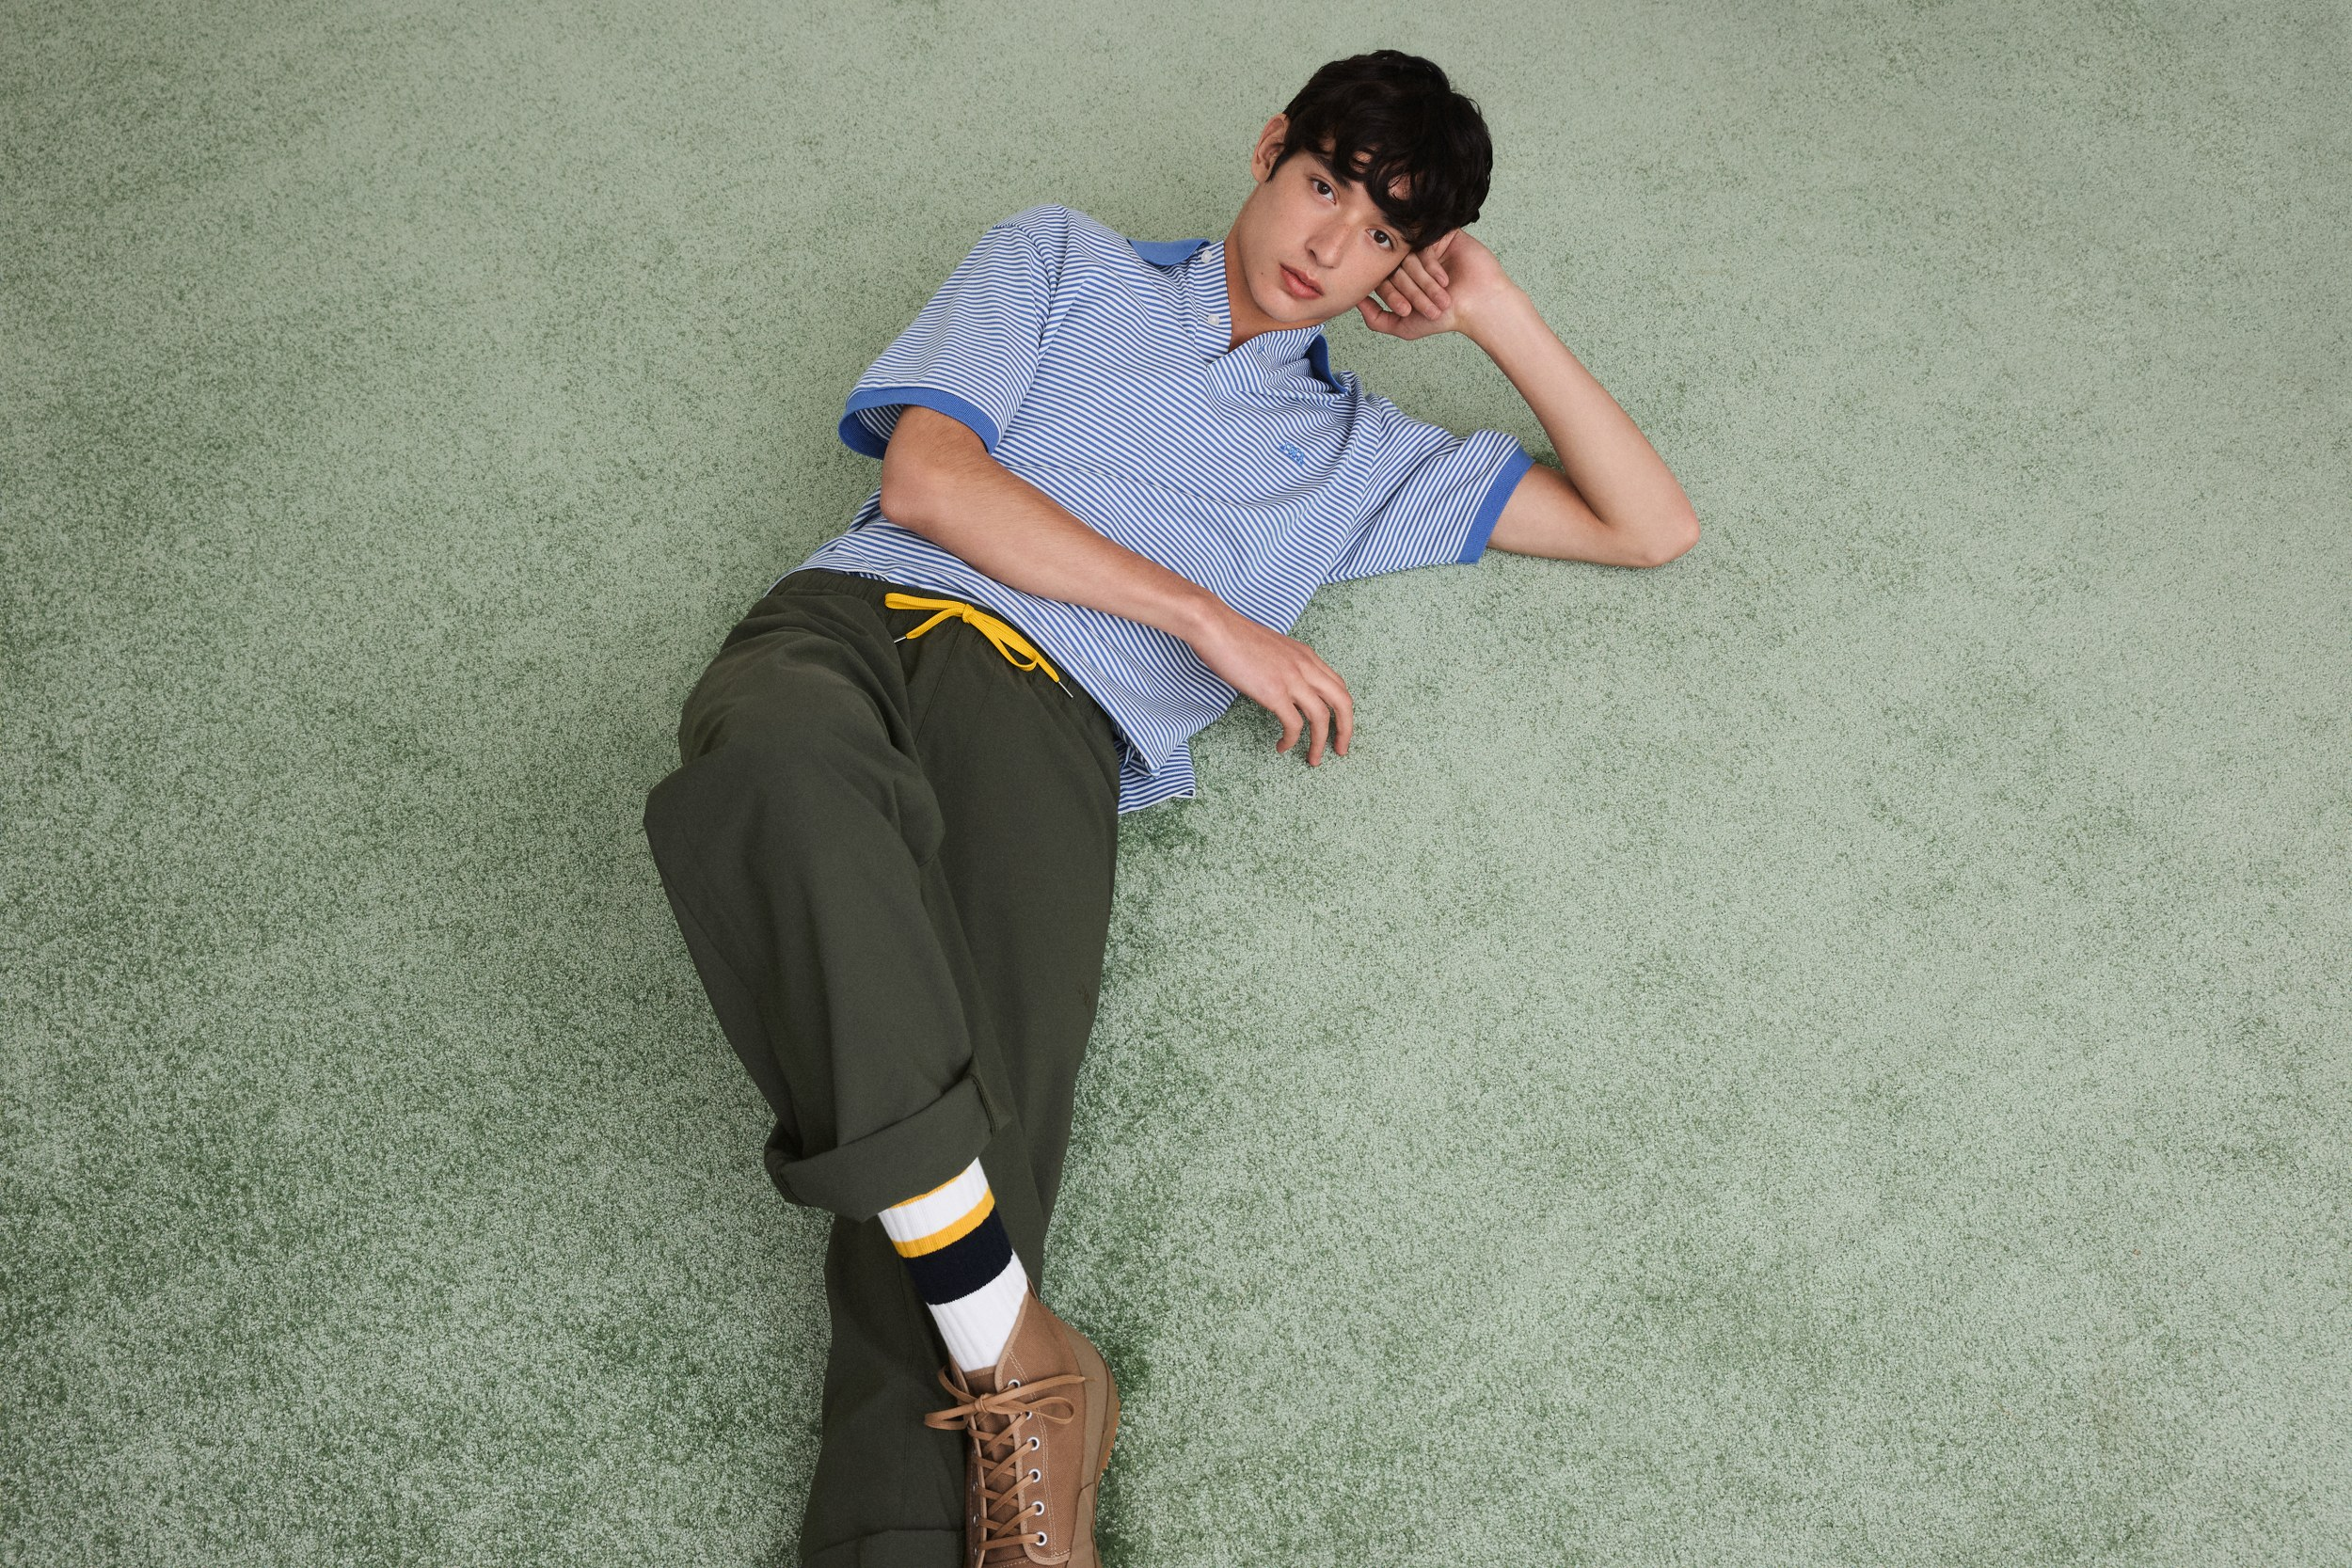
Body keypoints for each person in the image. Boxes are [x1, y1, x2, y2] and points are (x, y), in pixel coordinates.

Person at [642, 48, 1697, 1568]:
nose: (1329, 246)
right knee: (760, 779)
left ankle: (915, 1497)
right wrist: (1209, 617)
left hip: (1053, 738)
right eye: (1324, 185)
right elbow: (933, 480)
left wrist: (1499, 313)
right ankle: (1027, 1347)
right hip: (863, 621)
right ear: (1271, 150)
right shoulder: (1062, 257)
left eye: (1383, 237)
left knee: (971, 1137)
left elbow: (1647, 525)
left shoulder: (1357, 457)